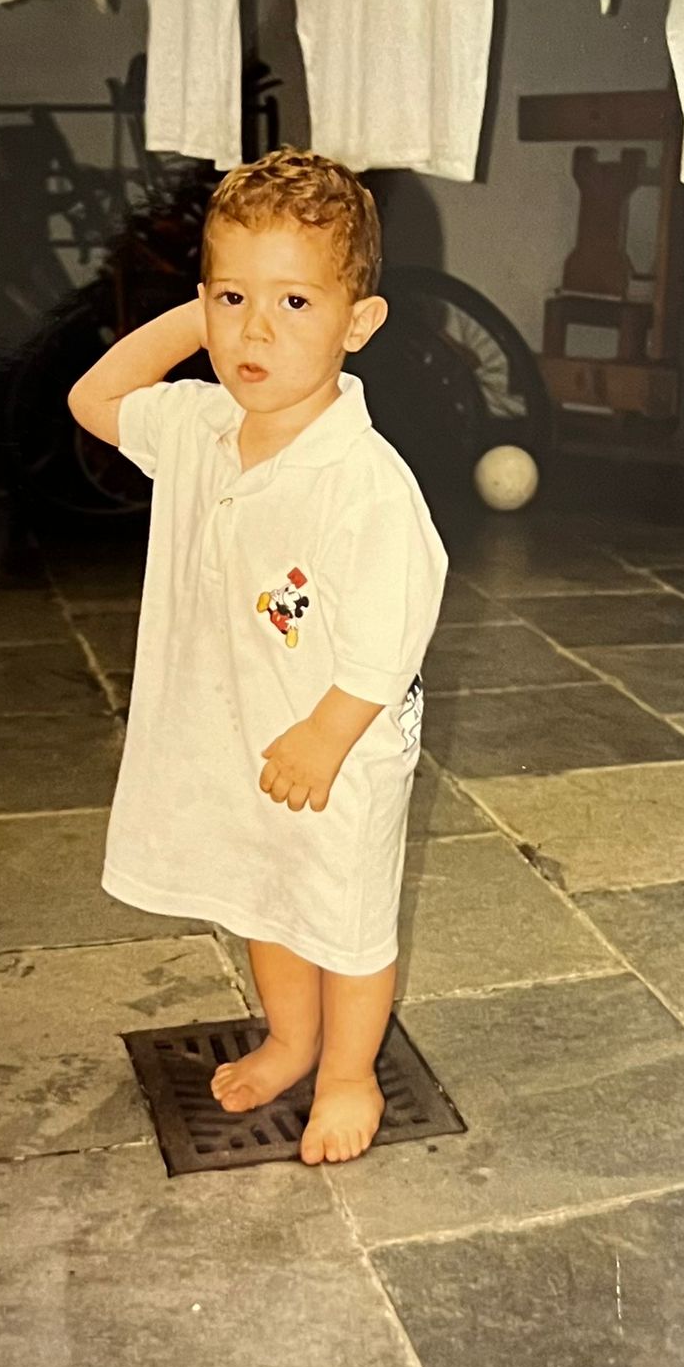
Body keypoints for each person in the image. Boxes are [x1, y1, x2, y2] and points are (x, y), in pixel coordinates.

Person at [69, 148, 447, 1165]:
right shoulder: (199, 426)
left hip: (338, 749)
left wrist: (327, 735)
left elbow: (393, 625)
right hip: (243, 732)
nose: (256, 329)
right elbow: (94, 401)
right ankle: (288, 1040)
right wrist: (198, 319)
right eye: (233, 297)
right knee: (266, 898)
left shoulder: (362, 480)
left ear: (357, 322)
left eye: (294, 300)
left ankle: (349, 1072)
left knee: (346, 920)